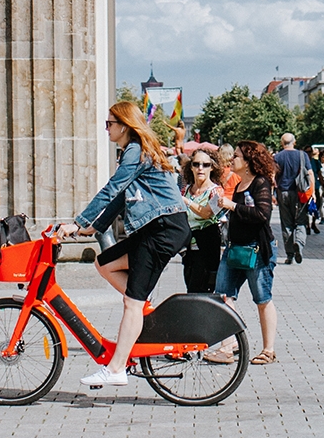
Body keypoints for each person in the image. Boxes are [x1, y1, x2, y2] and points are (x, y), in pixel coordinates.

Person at [57, 101, 190, 390]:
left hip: (164, 230)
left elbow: (112, 189)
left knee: (131, 302)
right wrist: (92, 227)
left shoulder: (135, 151)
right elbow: (121, 197)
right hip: (157, 228)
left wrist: (77, 221)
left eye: (110, 124)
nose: (106, 129)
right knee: (103, 264)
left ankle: (116, 368)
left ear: (125, 125)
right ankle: (142, 308)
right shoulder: (134, 151)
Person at [206, 141, 278, 367]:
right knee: (223, 295)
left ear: (248, 162)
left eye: (235, 156)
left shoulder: (260, 183)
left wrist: (232, 206)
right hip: (235, 247)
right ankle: (229, 346)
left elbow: (262, 214)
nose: (231, 159)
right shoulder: (237, 184)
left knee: (262, 298)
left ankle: (268, 350)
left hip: (257, 249)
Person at [179, 151, 227, 294]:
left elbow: (207, 213)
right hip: (188, 249)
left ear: (212, 167)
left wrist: (187, 202)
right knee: (191, 286)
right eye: (196, 164)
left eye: (205, 165)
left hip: (207, 246)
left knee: (201, 290)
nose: (200, 168)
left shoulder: (217, 191)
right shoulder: (186, 189)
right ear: (191, 167)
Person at [271, 133, 309, 264]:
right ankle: (299, 242)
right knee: (301, 220)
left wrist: (272, 194)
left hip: (283, 193)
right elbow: (309, 173)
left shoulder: (277, 157)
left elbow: (272, 176)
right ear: (295, 142)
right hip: (299, 193)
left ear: (282, 143)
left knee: (286, 223)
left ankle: (290, 255)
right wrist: (312, 192)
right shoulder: (302, 155)